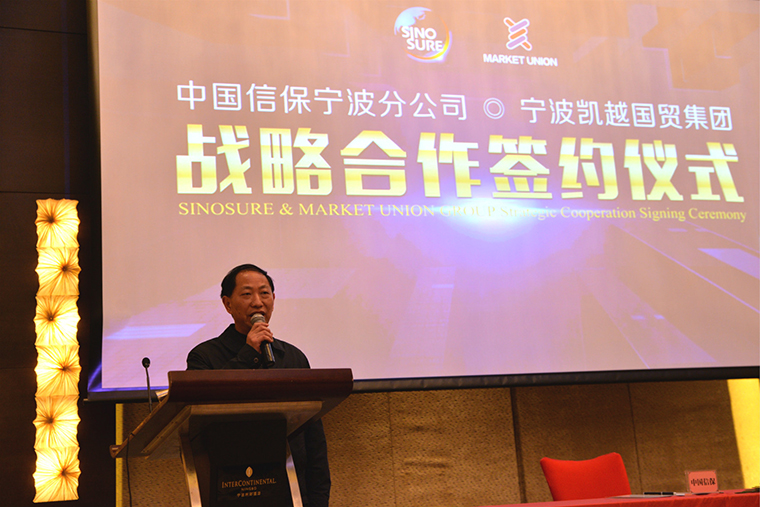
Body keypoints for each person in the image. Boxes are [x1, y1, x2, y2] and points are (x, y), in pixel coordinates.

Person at [187, 263, 330, 507]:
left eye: (264, 293)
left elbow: (313, 439)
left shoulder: (292, 357)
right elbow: (202, 411)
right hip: (228, 489)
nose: (257, 302)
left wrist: (318, 499)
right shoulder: (204, 356)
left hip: (292, 490)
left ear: (273, 299)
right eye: (246, 294)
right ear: (227, 304)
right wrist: (248, 354)